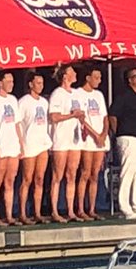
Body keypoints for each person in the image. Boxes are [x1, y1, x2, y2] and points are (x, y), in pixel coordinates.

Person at [108, 67, 136, 220]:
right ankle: (125, 206)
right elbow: (113, 115)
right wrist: (118, 133)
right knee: (128, 172)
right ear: (130, 80)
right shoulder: (124, 96)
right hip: (129, 137)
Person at [0, 70, 24, 227]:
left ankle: (9, 215)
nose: (11, 84)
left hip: (12, 146)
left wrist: (21, 145)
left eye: (12, 81)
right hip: (0, 146)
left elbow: (16, 124)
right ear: (0, 83)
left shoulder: (13, 100)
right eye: (8, 81)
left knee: (10, 181)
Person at [48, 64, 85, 222]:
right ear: (65, 76)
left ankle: (71, 210)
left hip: (74, 139)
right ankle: (55, 210)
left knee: (72, 175)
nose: (75, 74)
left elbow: (80, 114)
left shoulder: (76, 94)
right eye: (72, 72)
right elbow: (54, 117)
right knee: (58, 175)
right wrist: (71, 115)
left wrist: (81, 118)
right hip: (61, 139)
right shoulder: (58, 94)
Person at [17, 71, 52, 225]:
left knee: (40, 179)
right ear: (30, 84)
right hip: (29, 144)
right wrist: (21, 144)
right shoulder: (24, 102)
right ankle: (23, 213)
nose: (40, 86)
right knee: (27, 179)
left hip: (42, 143)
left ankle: (37, 212)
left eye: (42, 83)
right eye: (38, 83)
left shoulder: (44, 102)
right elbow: (18, 123)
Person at [76, 66, 110, 221]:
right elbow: (81, 118)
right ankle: (81, 208)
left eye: (100, 78)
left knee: (95, 174)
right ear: (88, 78)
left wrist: (103, 134)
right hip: (88, 139)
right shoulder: (79, 94)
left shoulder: (99, 95)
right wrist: (95, 135)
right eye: (96, 77)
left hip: (100, 139)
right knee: (85, 172)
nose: (99, 80)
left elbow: (105, 117)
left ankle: (92, 208)